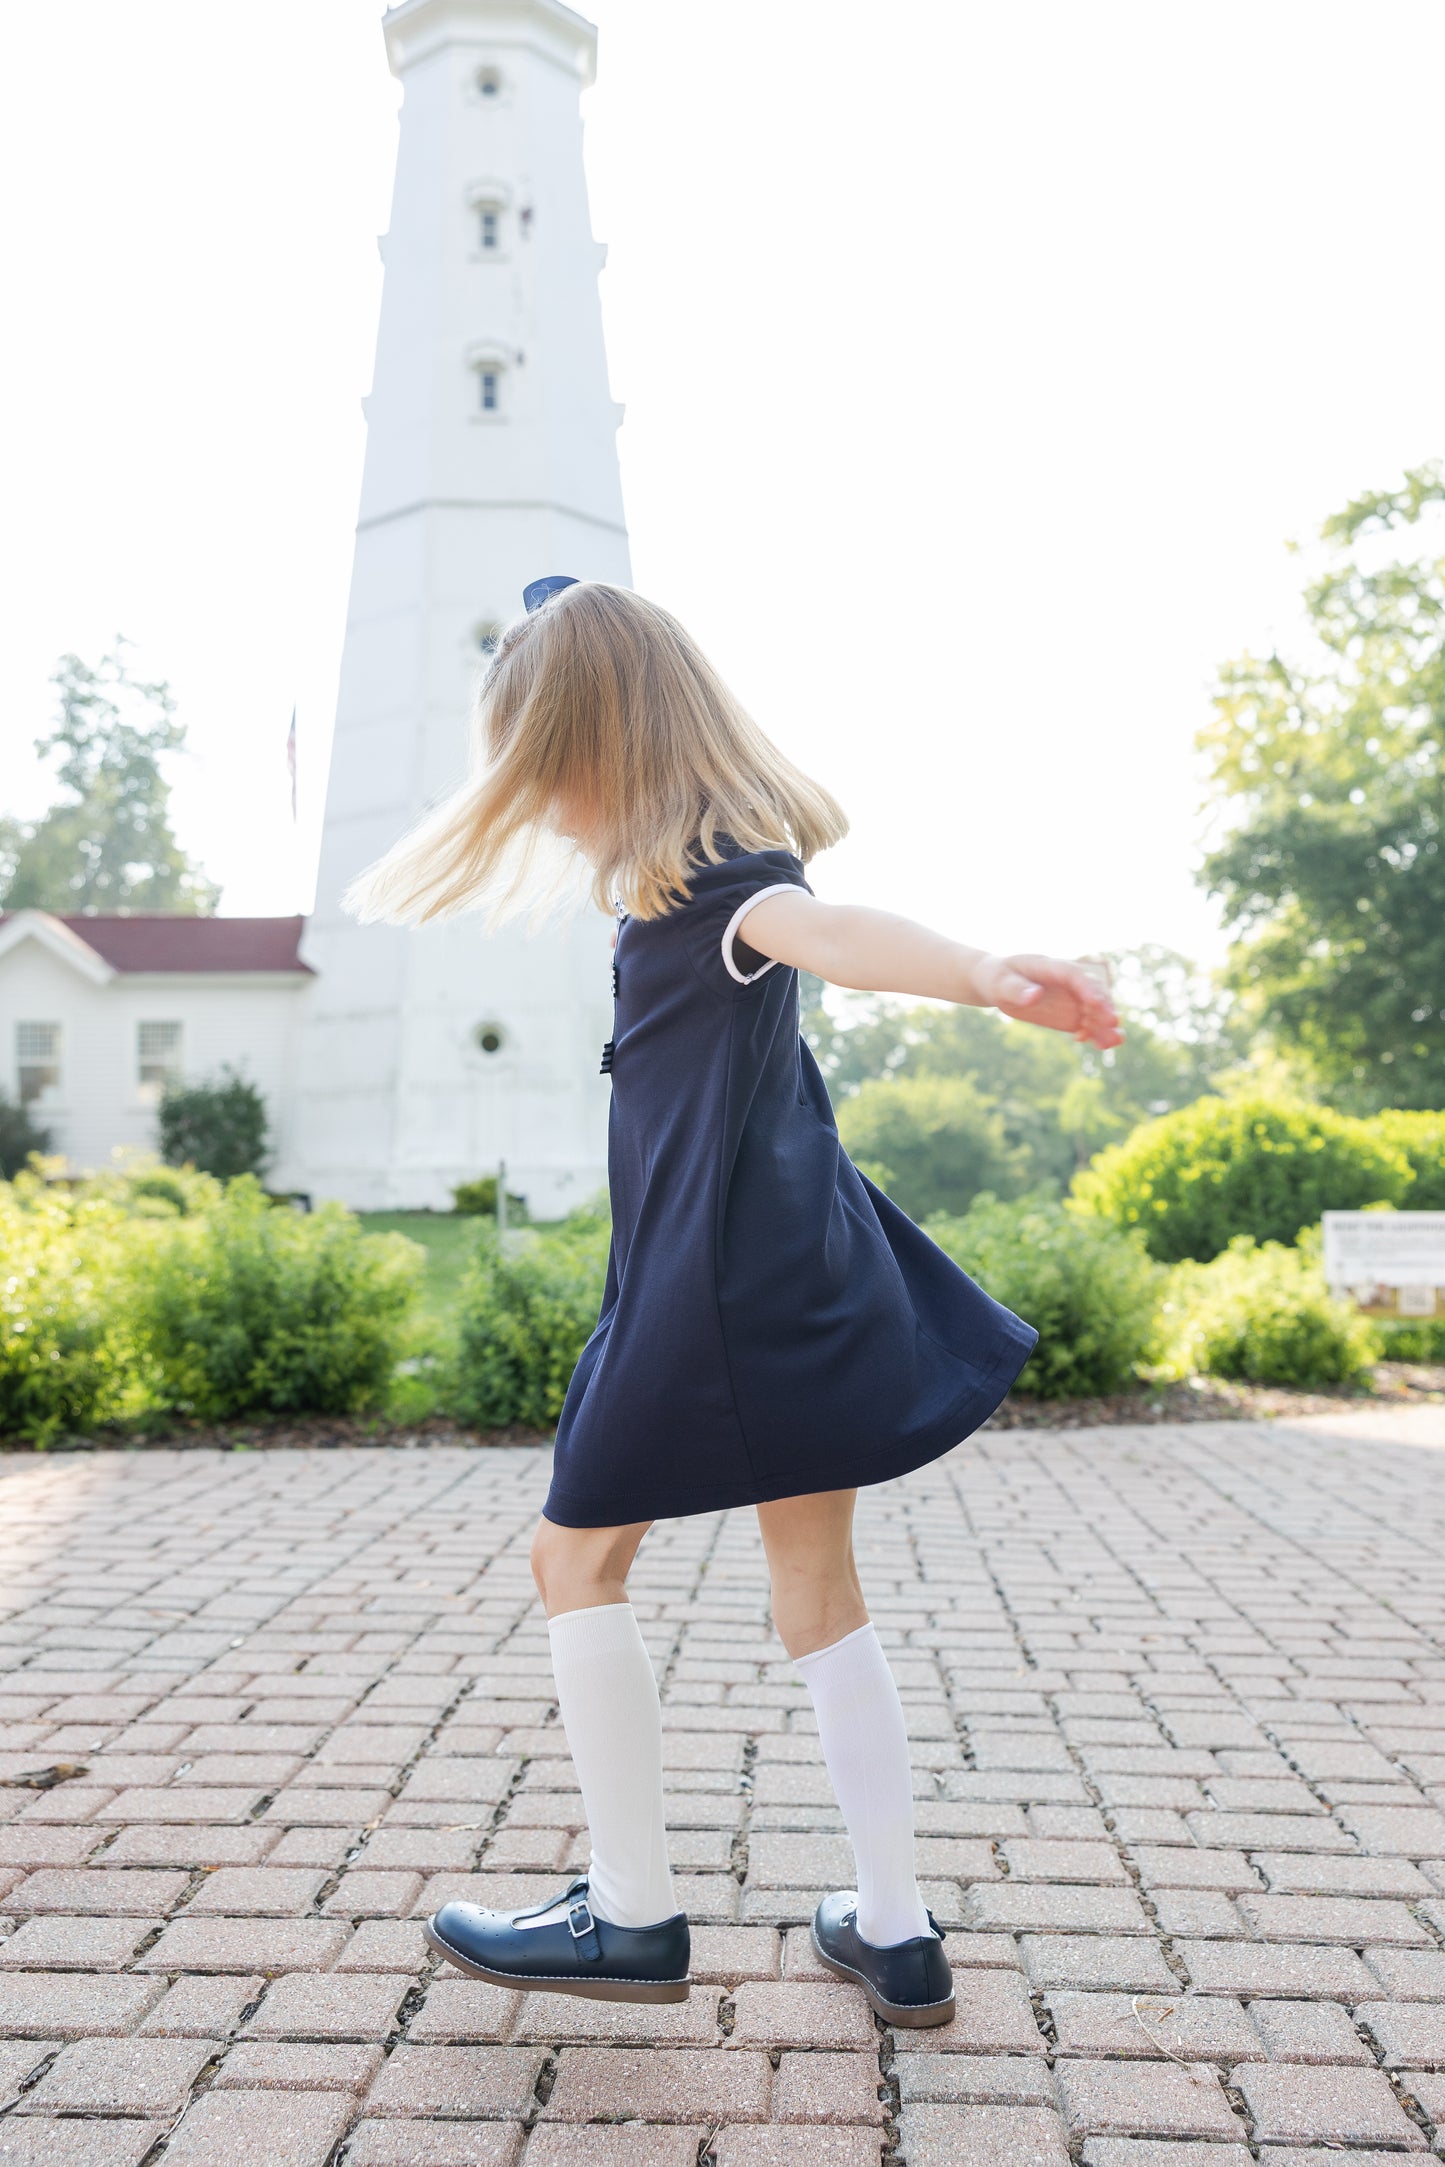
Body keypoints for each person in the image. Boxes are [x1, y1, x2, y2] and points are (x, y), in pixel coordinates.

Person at [346, 577, 1122, 2027]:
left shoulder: (723, 890)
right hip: (800, 1281)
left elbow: (825, 931)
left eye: (538, 766)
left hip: (704, 1298)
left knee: (573, 1564)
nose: (538, 806)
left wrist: (977, 974)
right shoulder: (686, 884)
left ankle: (631, 1914)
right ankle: (892, 1930)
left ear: (597, 746)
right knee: (818, 1589)